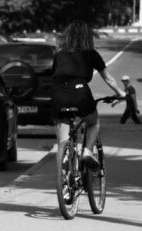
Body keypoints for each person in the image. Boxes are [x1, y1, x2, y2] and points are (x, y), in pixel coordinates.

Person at [49, 20, 124, 165]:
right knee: (93, 123)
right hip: (79, 93)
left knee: (63, 141)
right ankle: (87, 152)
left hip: (58, 95)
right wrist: (121, 93)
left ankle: (64, 171)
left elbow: (54, 75)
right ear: (87, 37)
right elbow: (108, 79)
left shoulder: (59, 54)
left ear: (68, 36)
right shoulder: (90, 53)